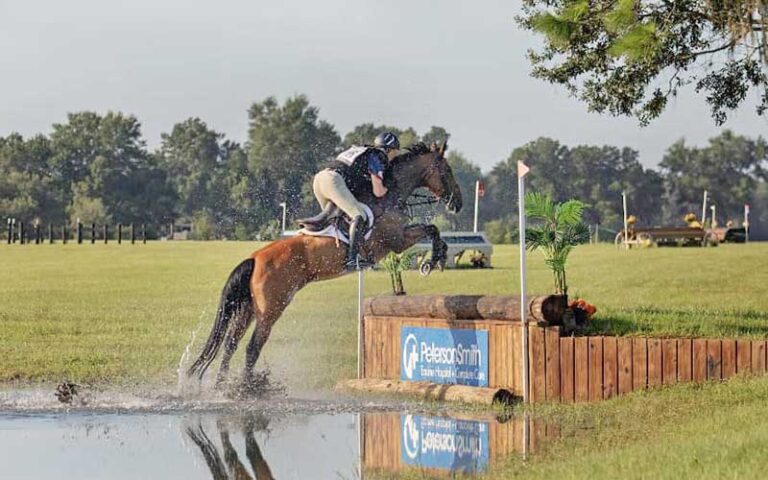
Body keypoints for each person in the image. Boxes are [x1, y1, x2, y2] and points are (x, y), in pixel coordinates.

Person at [312, 131, 400, 270]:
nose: (395, 156)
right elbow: (378, 191)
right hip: (333, 181)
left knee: (337, 220)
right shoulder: (378, 156)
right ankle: (352, 260)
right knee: (359, 215)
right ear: (389, 149)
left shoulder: (361, 150)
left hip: (319, 180)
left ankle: (334, 251)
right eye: (395, 152)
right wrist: (391, 191)